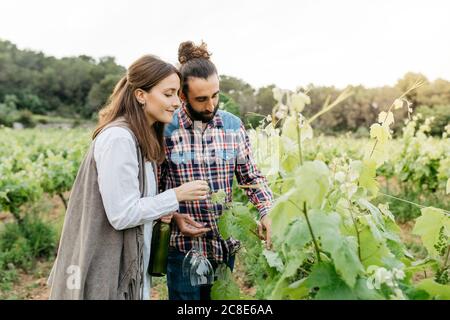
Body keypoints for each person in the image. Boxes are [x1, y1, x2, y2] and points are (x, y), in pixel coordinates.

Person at [47, 54, 210, 300]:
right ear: (141, 95)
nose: (177, 102)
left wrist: (171, 214)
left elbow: (133, 202)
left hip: (129, 266)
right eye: (168, 94)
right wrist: (176, 195)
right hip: (109, 271)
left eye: (177, 94)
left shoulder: (137, 138)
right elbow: (122, 214)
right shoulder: (119, 139)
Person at [160, 41, 274, 300]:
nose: (211, 105)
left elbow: (251, 177)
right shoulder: (166, 128)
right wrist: (174, 217)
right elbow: (154, 189)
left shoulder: (233, 126)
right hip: (183, 249)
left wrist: (268, 210)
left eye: (215, 95)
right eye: (201, 99)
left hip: (224, 248)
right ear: (182, 96)